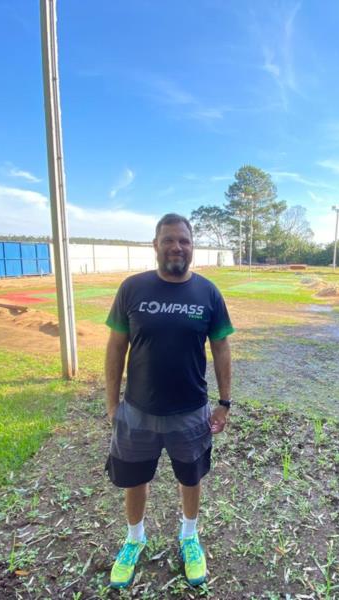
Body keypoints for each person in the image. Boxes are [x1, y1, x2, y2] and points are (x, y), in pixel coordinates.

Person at [104, 213, 234, 588]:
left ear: (192, 247)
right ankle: (134, 540)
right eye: (169, 240)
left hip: (191, 412)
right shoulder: (132, 289)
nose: (177, 247)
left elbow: (222, 348)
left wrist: (225, 402)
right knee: (135, 478)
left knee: (190, 478)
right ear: (155, 245)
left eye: (184, 241)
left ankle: (189, 536)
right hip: (137, 411)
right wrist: (112, 405)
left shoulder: (208, 293)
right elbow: (115, 348)